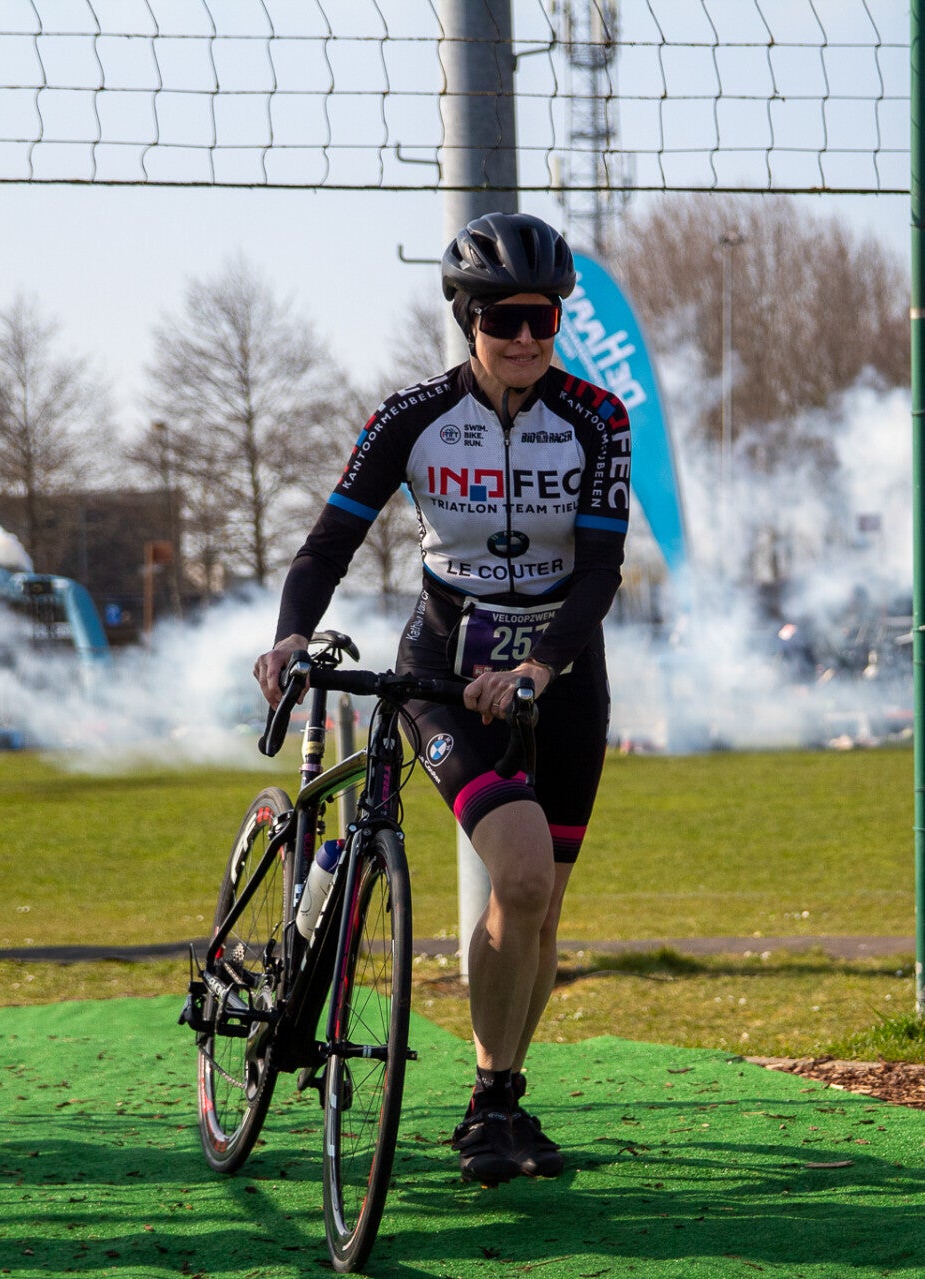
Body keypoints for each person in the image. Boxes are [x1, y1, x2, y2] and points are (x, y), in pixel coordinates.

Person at [253, 212, 631, 1183]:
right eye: (504, 319)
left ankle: (497, 1094)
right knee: (520, 875)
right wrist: (292, 632)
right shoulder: (410, 417)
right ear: (467, 318)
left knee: (539, 909)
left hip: (559, 683)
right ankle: (489, 1103)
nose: (526, 338)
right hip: (444, 675)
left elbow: (598, 571)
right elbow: (327, 545)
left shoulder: (597, 419)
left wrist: (538, 668)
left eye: (543, 318)